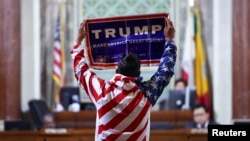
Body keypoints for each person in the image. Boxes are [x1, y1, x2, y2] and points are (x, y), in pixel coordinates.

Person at [70, 18, 177, 141]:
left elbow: (81, 71)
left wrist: (78, 42)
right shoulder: (146, 94)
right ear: (138, 74)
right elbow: (166, 70)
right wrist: (170, 40)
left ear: (117, 71)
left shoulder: (102, 91)